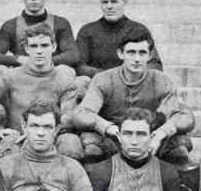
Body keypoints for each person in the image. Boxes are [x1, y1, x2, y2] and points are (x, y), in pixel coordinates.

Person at [73, 30, 194, 166]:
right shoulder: (104, 79)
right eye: (131, 52)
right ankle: (96, 184)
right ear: (120, 54)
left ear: (149, 55)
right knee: (90, 140)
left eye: (142, 53)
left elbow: (185, 117)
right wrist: (108, 128)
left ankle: (177, 185)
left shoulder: (160, 81)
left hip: (148, 142)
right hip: (115, 141)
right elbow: (81, 114)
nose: (137, 59)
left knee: (180, 143)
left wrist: (161, 133)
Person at [0, 23, 79, 159]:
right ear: (26, 48)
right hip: (18, 136)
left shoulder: (65, 81)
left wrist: (39, 132)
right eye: (33, 46)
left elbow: (68, 117)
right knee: (8, 150)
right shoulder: (10, 76)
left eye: (44, 45)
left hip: (50, 137)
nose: (39, 51)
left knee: (71, 144)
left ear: (54, 47)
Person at [0, 0, 79, 76]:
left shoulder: (60, 23)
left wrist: (43, 61)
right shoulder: (11, 25)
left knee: (66, 71)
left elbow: (72, 54)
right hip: (22, 73)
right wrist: (19, 59)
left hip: (50, 74)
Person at [75, 0, 162, 79]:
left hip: (131, 84)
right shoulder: (87, 31)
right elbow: (79, 65)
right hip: (99, 84)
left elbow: (155, 64)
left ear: (124, 3)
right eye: (105, 2)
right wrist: (109, 76)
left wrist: (130, 75)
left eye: (114, 2)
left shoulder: (139, 29)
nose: (109, 6)